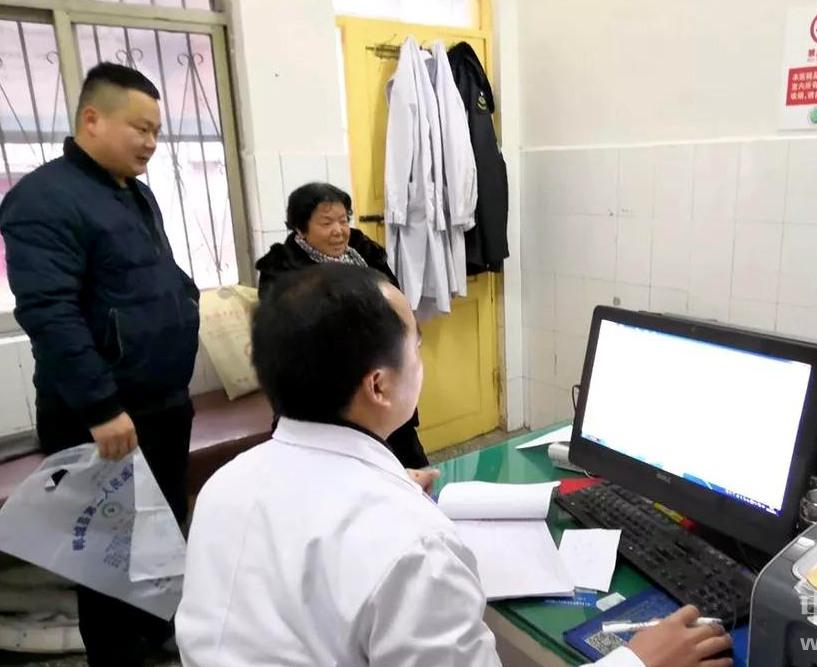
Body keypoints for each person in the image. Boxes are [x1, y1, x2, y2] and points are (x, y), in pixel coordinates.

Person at [176, 263, 732, 667]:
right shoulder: (412, 544)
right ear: (379, 385)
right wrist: (638, 660)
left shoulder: (225, 485)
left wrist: (385, 488)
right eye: (416, 346)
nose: (422, 360)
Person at [0, 63, 200, 665]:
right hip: (103, 414)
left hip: (162, 402)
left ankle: (157, 632)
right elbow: (50, 313)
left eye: (157, 131)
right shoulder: (44, 199)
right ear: (92, 119)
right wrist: (101, 407)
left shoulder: (133, 192)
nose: (151, 142)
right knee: (108, 550)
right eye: (141, 128)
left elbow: (149, 279)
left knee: (160, 531)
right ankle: (117, 655)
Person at [256, 181, 428, 468]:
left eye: (343, 220)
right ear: (300, 228)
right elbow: (291, 339)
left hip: (380, 377)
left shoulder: (364, 252)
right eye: (326, 223)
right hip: (324, 391)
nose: (339, 231)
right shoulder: (282, 270)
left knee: (404, 464)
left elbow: (395, 301)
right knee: (339, 473)